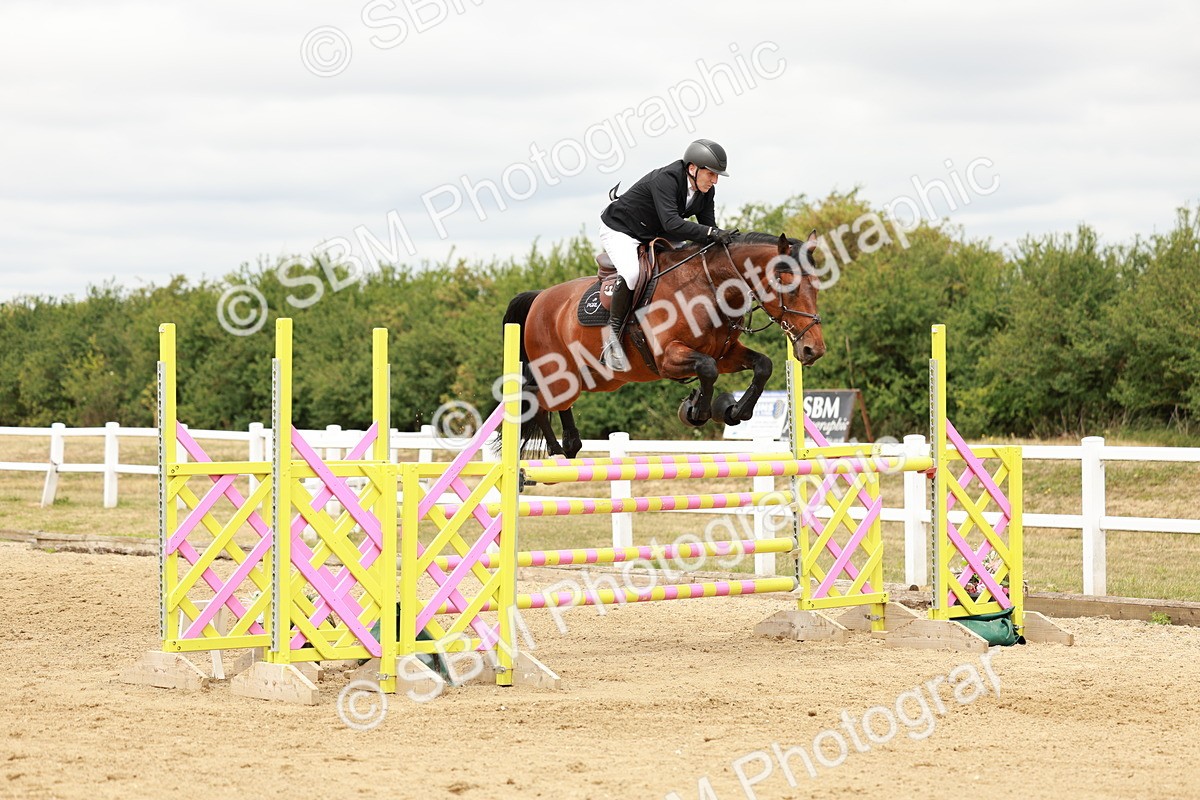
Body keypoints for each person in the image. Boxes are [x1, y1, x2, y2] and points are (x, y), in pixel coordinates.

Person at [597, 138, 737, 370]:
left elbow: (706, 231)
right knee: (632, 274)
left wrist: (723, 242)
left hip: (654, 230)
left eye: (717, 175)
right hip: (622, 228)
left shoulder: (705, 191)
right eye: (711, 174)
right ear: (692, 168)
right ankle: (612, 338)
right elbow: (673, 223)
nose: (715, 180)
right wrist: (713, 232)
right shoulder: (667, 179)